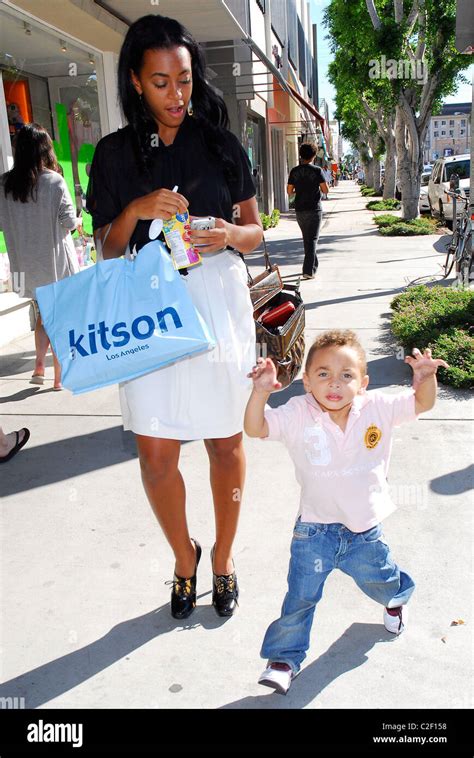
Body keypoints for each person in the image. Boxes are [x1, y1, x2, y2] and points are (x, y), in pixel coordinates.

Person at [86, 14, 262, 620]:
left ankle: (224, 558)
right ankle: (184, 558)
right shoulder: (112, 155)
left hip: (216, 300)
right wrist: (136, 208)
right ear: (135, 82)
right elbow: (106, 248)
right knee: (157, 453)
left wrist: (228, 235)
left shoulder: (218, 140)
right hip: (147, 305)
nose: (176, 95)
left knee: (224, 441)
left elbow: (257, 232)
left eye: (184, 79)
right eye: (160, 82)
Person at [244, 330, 449, 695]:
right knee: (300, 598)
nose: (334, 383)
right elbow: (255, 427)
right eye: (323, 374)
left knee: (382, 581)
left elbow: (422, 404)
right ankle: (283, 660)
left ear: (363, 382)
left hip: (363, 531)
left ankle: (396, 599)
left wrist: (426, 378)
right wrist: (260, 392)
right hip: (313, 533)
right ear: (306, 381)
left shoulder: (378, 409)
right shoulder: (296, 414)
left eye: (346, 375)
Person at [0, 124, 81, 390]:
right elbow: (69, 221)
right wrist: (78, 219)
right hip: (54, 263)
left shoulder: (4, 184)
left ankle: (38, 367)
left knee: (43, 314)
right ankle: (58, 376)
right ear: (44, 149)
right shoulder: (53, 181)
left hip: (25, 265)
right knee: (58, 316)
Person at [287, 143, 328, 280]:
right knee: (312, 239)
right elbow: (325, 189)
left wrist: (299, 189)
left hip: (299, 209)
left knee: (307, 239)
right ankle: (308, 271)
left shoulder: (294, 171)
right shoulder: (317, 170)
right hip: (314, 209)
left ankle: (313, 265)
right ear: (314, 155)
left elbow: (289, 191)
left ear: (301, 155)